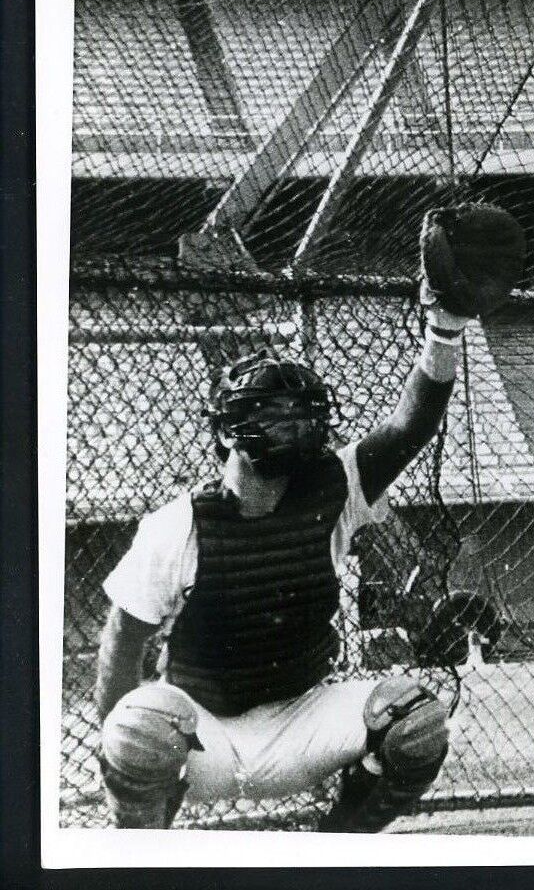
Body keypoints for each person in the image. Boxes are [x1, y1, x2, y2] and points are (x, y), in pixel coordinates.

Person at [92, 231, 492, 830]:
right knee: (135, 726)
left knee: (416, 719)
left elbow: (410, 429)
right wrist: (117, 753)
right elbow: (123, 642)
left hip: (304, 719)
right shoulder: (179, 525)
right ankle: (135, 855)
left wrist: (445, 328)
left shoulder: (336, 488)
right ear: (229, 431)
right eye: (273, 413)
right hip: (202, 732)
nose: (294, 425)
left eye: (305, 413)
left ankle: (334, 848)